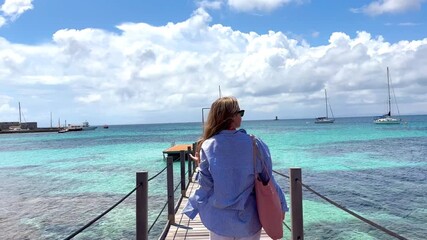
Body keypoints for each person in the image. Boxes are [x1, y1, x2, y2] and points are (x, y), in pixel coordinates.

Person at [183, 96, 289, 240]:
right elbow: (268, 179)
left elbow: (205, 187)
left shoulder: (207, 146)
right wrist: (281, 205)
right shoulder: (255, 144)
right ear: (231, 116)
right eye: (240, 112)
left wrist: (192, 207)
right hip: (248, 221)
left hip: (219, 220)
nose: (241, 116)